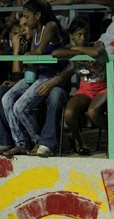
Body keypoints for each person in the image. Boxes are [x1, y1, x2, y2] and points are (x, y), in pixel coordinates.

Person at [0, 0, 68, 157]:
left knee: (20, 107)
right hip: (37, 75)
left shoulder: (50, 26)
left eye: (26, 16)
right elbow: (30, 63)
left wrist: (23, 54)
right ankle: (21, 143)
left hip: (51, 76)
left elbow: (40, 52)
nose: (24, 21)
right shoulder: (34, 32)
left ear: (38, 15)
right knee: (6, 99)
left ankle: (38, 140)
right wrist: (18, 50)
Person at [52, 16, 107, 155]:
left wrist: (77, 49)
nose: (83, 37)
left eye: (86, 34)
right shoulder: (71, 47)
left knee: (93, 112)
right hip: (85, 90)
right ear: (71, 36)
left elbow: (95, 52)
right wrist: (79, 50)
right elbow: (56, 53)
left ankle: (112, 137)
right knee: (69, 114)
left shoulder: (97, 43)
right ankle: (78, 140)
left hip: (103, 88)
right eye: (79, 35)